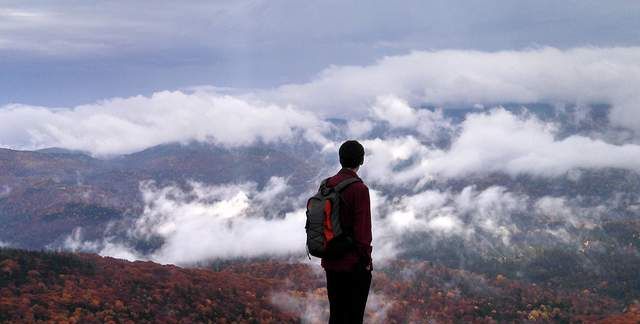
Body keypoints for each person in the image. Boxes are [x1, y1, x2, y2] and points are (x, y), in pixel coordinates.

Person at [322, 140, 373, 324]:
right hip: (353, 266)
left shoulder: (327, 184)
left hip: (330, 261)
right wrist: (366, 261)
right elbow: (363, 233)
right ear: (361, 161)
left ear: (340, 159)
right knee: (353, 317)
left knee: (336, 315)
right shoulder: (359, 189)